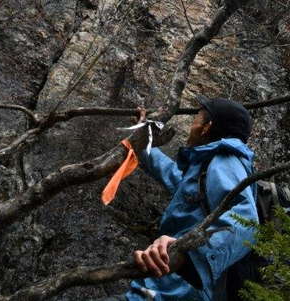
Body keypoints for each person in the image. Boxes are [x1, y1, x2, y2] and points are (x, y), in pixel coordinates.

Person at [100, 96, 258, 301]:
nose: (192, 125)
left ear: (206, 127)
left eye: (197, 119)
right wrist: (143, 135)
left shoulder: (225, 160)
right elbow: (174, 177)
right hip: (166, 287)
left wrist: (185, 252)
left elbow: (246, 219)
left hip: (178, 289)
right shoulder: (206, 165)